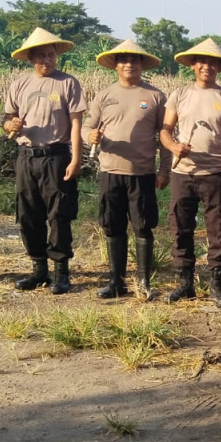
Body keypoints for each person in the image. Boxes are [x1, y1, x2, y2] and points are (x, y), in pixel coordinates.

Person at [84, 40, 172, 300]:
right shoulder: (104, 95)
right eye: (124, 60)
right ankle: (116, 282)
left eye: (134, 60)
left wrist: (165, 169)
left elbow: (165, 135)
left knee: (143, 226)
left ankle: (143, 282)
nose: (129, 65)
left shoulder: (155, 96)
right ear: (115, 66)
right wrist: (90, 135)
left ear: (142, 65)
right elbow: (86, 126)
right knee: (113, 226)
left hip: (142, 173)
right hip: (110, 171)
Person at [160, 38, 221, 307]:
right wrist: (174, 146)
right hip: (183, 173)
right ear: (193, 66)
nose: (206, 66)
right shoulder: (179, 95)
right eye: (201, 62)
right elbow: (164, 130)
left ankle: (217, 285)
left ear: (218, 67)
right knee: (180, 227)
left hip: (216, 173)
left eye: (212, 62)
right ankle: (185, 283)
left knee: (218, 229)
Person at [4, 28, 84, 295]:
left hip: (56, 156)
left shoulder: (67, 83)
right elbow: (8, 121)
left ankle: (61, 272)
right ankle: (39, 270)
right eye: (41, 56)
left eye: (51, 55)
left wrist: (76, 157)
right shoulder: (19, 85)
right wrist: (10, 125)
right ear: (30, 58)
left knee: (59, 215)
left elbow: (75, 124)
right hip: (27, 157)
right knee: (28, 214)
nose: (47, 60)